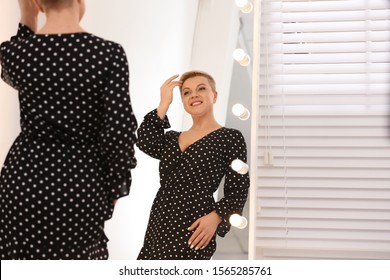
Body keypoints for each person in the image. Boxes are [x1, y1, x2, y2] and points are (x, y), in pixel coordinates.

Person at [0, 0, 137, 259]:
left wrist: (26, 15)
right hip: (81, 181)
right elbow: (119, 129)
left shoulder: (15, 53)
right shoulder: (107, 54)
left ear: (38, 3)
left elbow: (16, 66)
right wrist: (115, 186)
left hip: (24, 180)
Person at [136, 71, 249, 260]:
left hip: (195, 224)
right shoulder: (171, 139)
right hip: (159, 222)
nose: (194, 95)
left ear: (214, 95)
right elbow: (145, 141)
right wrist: (164, 103)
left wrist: (216, 216)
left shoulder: (230, 137)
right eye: (186, 92)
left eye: (201, 89)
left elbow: (238, 187)